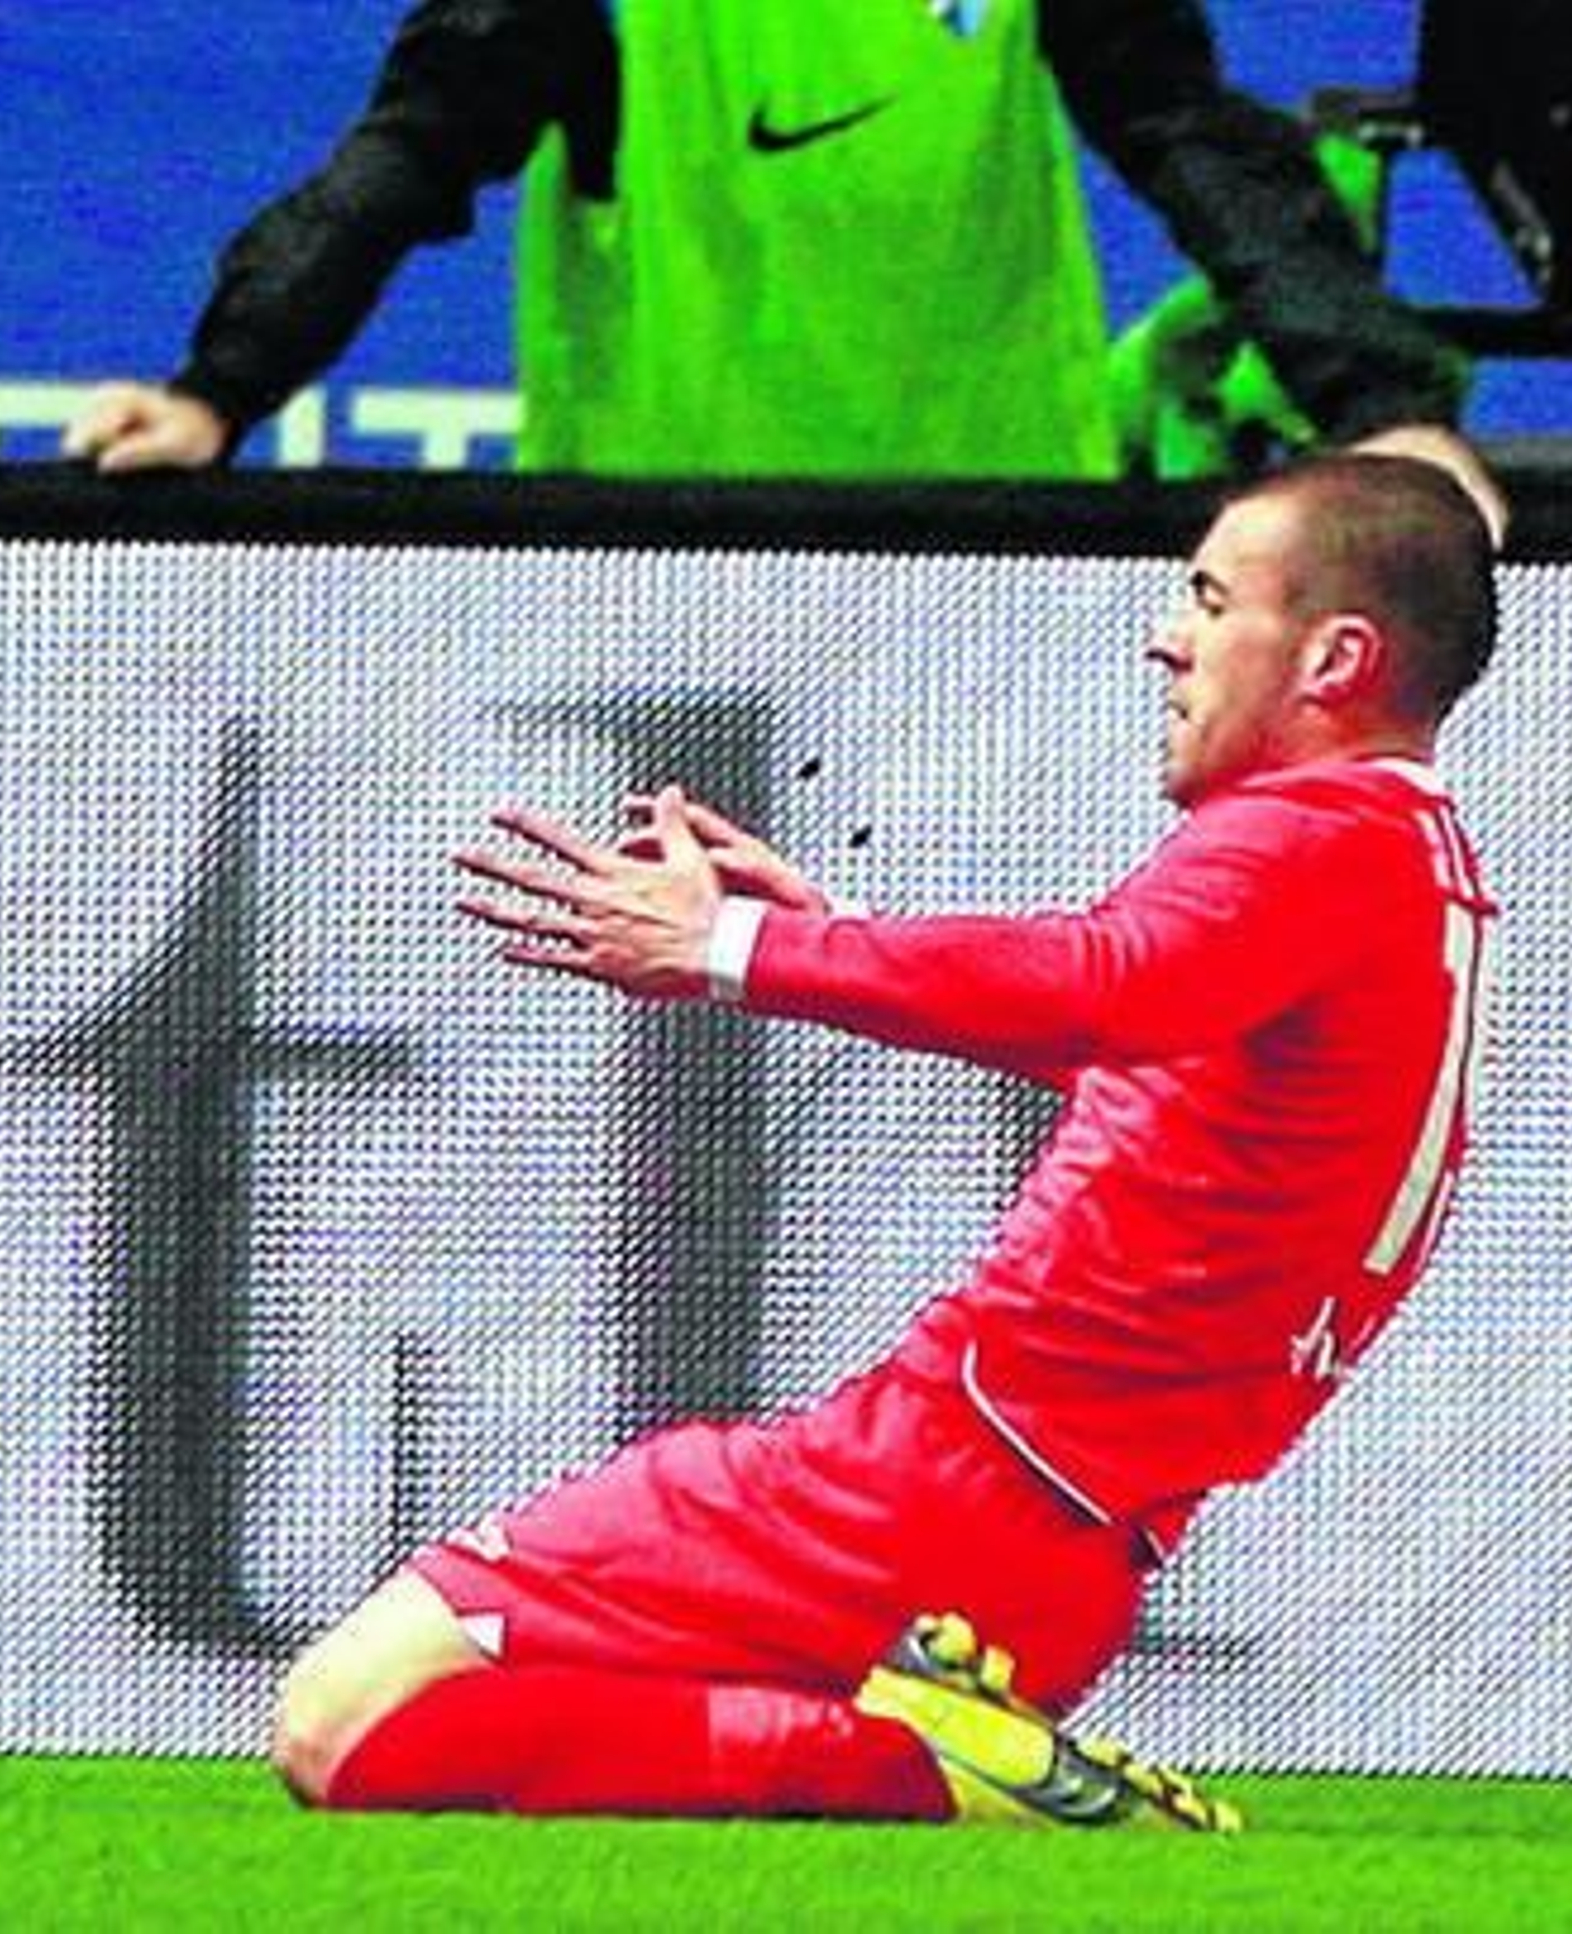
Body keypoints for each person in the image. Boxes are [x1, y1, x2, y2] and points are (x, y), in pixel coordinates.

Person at [268, 444, 1501, 1828]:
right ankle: (923, 1747)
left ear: (1333, 658)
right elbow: (1147, 1037)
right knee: (484, 1732)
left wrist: (730, 943)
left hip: (925, 1489)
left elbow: (1112, 978)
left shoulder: (1315, 834)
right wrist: (820, 939)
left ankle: (906, 1762)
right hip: (1045, 1547)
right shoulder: (1413, 868)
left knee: (349, 1714)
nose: (1171, 638)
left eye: (1214, 602)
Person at [64, 0, 1469, 481]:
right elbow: (412, 151)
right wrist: (219, 390)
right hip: (678, 581)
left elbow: (1190, 133)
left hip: (999, 566)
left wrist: (1382, 410)